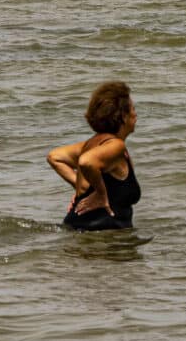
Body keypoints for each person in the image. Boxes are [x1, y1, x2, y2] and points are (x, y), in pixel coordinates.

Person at [47, 81, 141, 231]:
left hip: (78, 231)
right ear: (123, 116)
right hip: (96, 239)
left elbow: (55, 157)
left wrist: (81, 190)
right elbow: (87, 162)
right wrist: (100, 194)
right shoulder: (116, 145)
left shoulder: (91, 144)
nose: (136, 114)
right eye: (133, 109)